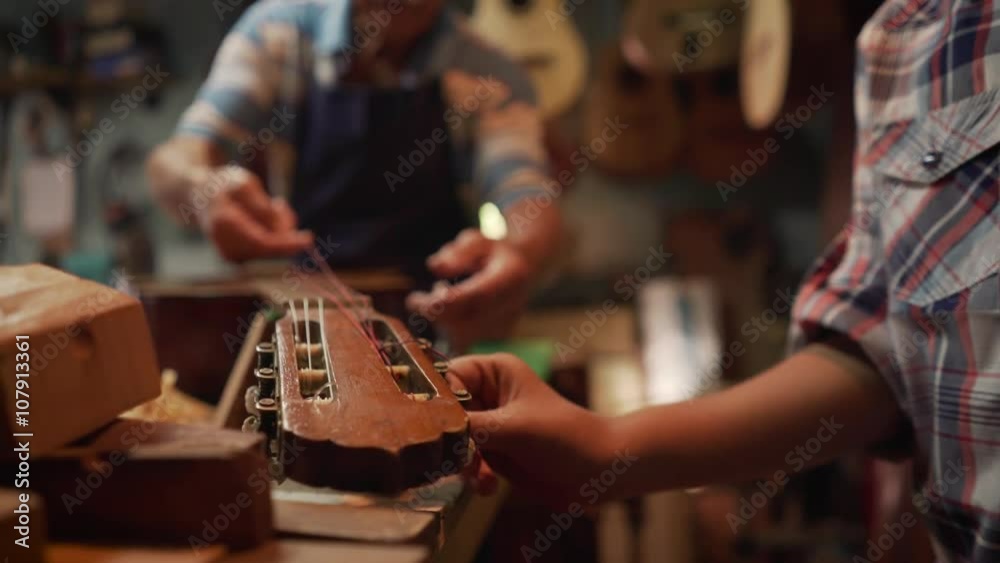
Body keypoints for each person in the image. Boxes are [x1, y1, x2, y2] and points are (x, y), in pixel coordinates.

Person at [451, 2, 1000, 561]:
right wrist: (605, 451)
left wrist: (521, 247)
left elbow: (514, 164)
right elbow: (880, 352)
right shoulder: (902, 39)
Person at [147, 0, 561, 351]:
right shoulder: (278, 32)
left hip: (429, 326)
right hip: (304, 323)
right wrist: (204, 189)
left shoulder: (489, 72)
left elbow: (526, 193)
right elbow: (178, 157)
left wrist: (519, 253)